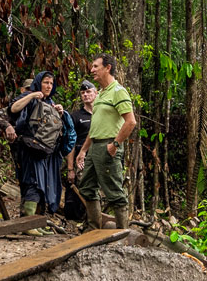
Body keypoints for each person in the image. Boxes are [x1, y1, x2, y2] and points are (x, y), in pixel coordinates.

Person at [77, 54, 137, 230]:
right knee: (87, 187)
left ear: (107, 68)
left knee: (114, 192)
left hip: (109, 146)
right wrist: (83, 151)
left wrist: (115, 145)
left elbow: (131, 121)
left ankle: (122, 233)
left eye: (96, 66)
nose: (92, 70)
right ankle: (93, 229)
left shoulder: (118, 91)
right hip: (94, 146)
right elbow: (95, 127)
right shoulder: (101, 94)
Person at [9, 71, 63, 235]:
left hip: (44, 152)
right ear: (39, 83)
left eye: (51, 83)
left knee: (41, 185)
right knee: (32, 182)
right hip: (29, 149)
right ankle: (27, 224)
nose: (48, 86)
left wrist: (58, 112)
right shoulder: (30, 97)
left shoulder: (50, 103)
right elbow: (13, 108)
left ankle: (35, 223)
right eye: (46, 82)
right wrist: (32, 96)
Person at [63, 79, 94, 223]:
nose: (85, 95)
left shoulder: (102, 114)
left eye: (88, 92)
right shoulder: (75, 116)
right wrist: (70, 168)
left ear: (96, 93)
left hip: (100, 157)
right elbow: (71, 143)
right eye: (82, 93)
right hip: (81, 158)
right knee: (81, 188)